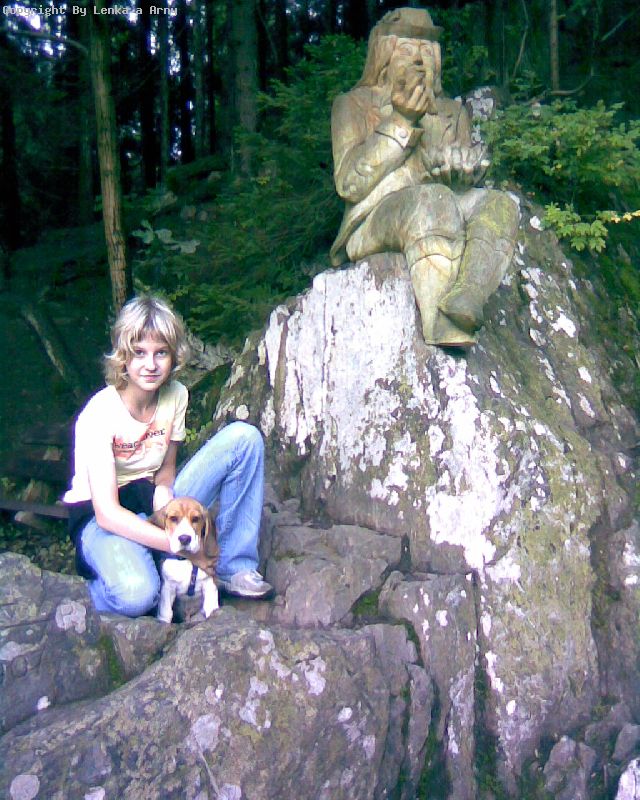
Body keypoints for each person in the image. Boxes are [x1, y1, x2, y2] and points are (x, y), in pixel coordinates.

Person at [63, 294, 272, 617]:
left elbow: (166, 472)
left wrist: (164, 497)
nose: (150, 365)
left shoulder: (176, 395)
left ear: (174, 356)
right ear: (123, 357)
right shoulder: (99, 413)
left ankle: (233, 568)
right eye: (139, 353)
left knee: (244, 439)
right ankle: (82, 594)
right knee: (138, 596)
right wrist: (187, 548)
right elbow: (107, 514)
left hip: (152, 502)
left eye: (161, 353)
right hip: (100, 517)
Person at [330, 7, 519, 347]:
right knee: (434, 200)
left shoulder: (452, 112)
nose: (419, 59)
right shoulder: (352, 105)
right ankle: (439, 322)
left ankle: (467, 295)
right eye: (407, 49)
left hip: (443, 203)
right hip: (375, 216)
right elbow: (349, 185)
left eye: (427, 50)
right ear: (383, 57)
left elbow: (458, 174)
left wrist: (463, 172)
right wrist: (401, 120)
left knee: (499, 205)